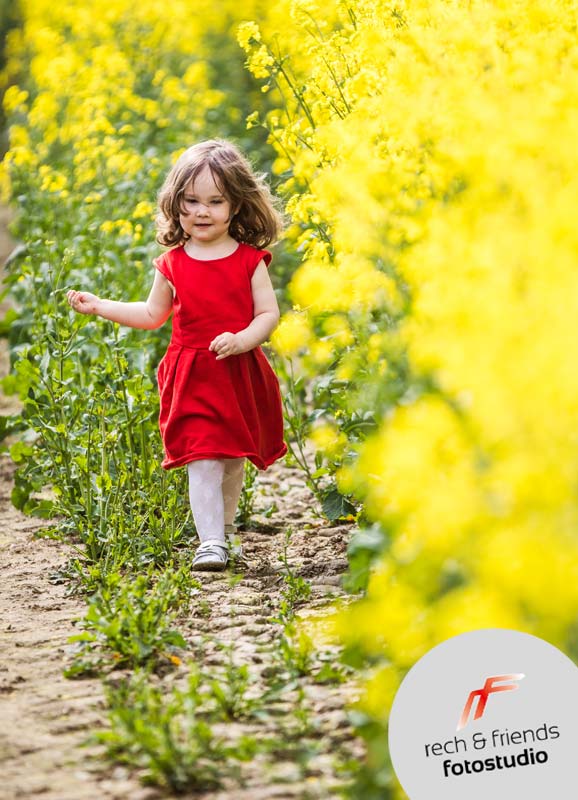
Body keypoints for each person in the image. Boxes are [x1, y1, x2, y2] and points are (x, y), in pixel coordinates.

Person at [67, 139, 288, 571]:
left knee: (229, 461)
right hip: (193, 375)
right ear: (175, 204)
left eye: (214, 201)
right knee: (202, 458)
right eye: (190, 202)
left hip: (237, 371)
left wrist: (244, 338)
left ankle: (221, 534)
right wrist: (101, 306)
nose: (201, 212)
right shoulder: (173, 263)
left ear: (236, 206)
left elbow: (268, 314)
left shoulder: (248, 261)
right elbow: (152, 315)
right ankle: (209, 542)